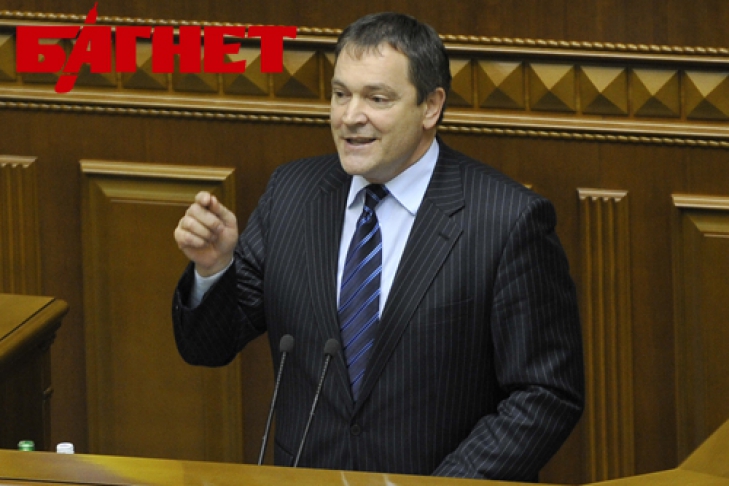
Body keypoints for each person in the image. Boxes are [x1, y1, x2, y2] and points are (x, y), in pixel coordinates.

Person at [172, 12, 584, 482]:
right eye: (340, 94)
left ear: (431, 107)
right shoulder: (292, 194)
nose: (350, 117)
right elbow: (207, 347)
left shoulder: (507, 220)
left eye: (377, 98)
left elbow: (545, 394)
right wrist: (214, 270)